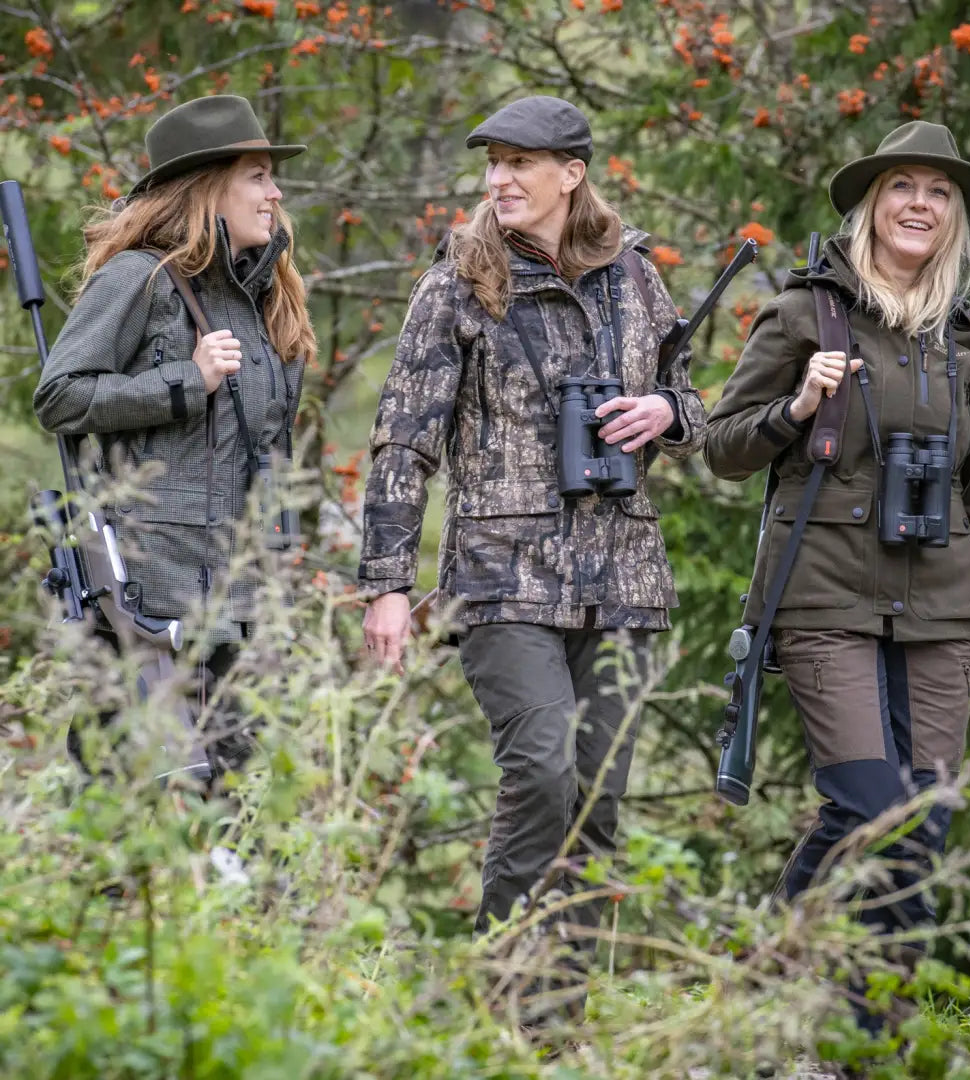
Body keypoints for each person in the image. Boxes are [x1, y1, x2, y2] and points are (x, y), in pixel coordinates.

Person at [358, 96, 706, 954]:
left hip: (623, 578)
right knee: (543, 770)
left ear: (571, 174)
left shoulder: (635, 275)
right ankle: (505, 993)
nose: (500, 179)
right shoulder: (458, 282)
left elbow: (694, 401)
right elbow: (405, 436)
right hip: (502, 575)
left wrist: (665, 410)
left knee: (597, 797)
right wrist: (389, 584)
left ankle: (561, 1017)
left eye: (520, 163)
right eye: (494, 163)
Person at [704, 121, 970, 952]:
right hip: (824, 597)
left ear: (953, 218)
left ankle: (871, 1021)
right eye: (901, 185)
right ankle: (774, 987)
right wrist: (796, 408)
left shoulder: (968, 344)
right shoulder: (801, 315)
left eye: (937, 191)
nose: (918, 203)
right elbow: (722, 448)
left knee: (921, 821)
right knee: (866, 805)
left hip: (943, 606)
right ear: (870, 204)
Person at [34, 94, 316, 778]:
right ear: (208, 186)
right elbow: (60, 397)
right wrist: (185, 381)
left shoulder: (268, 298)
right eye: (256, 175)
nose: (274, 192)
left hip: (245, 600)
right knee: (136, 799)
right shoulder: (141, 278)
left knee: (241, 810)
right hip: (150, 595)